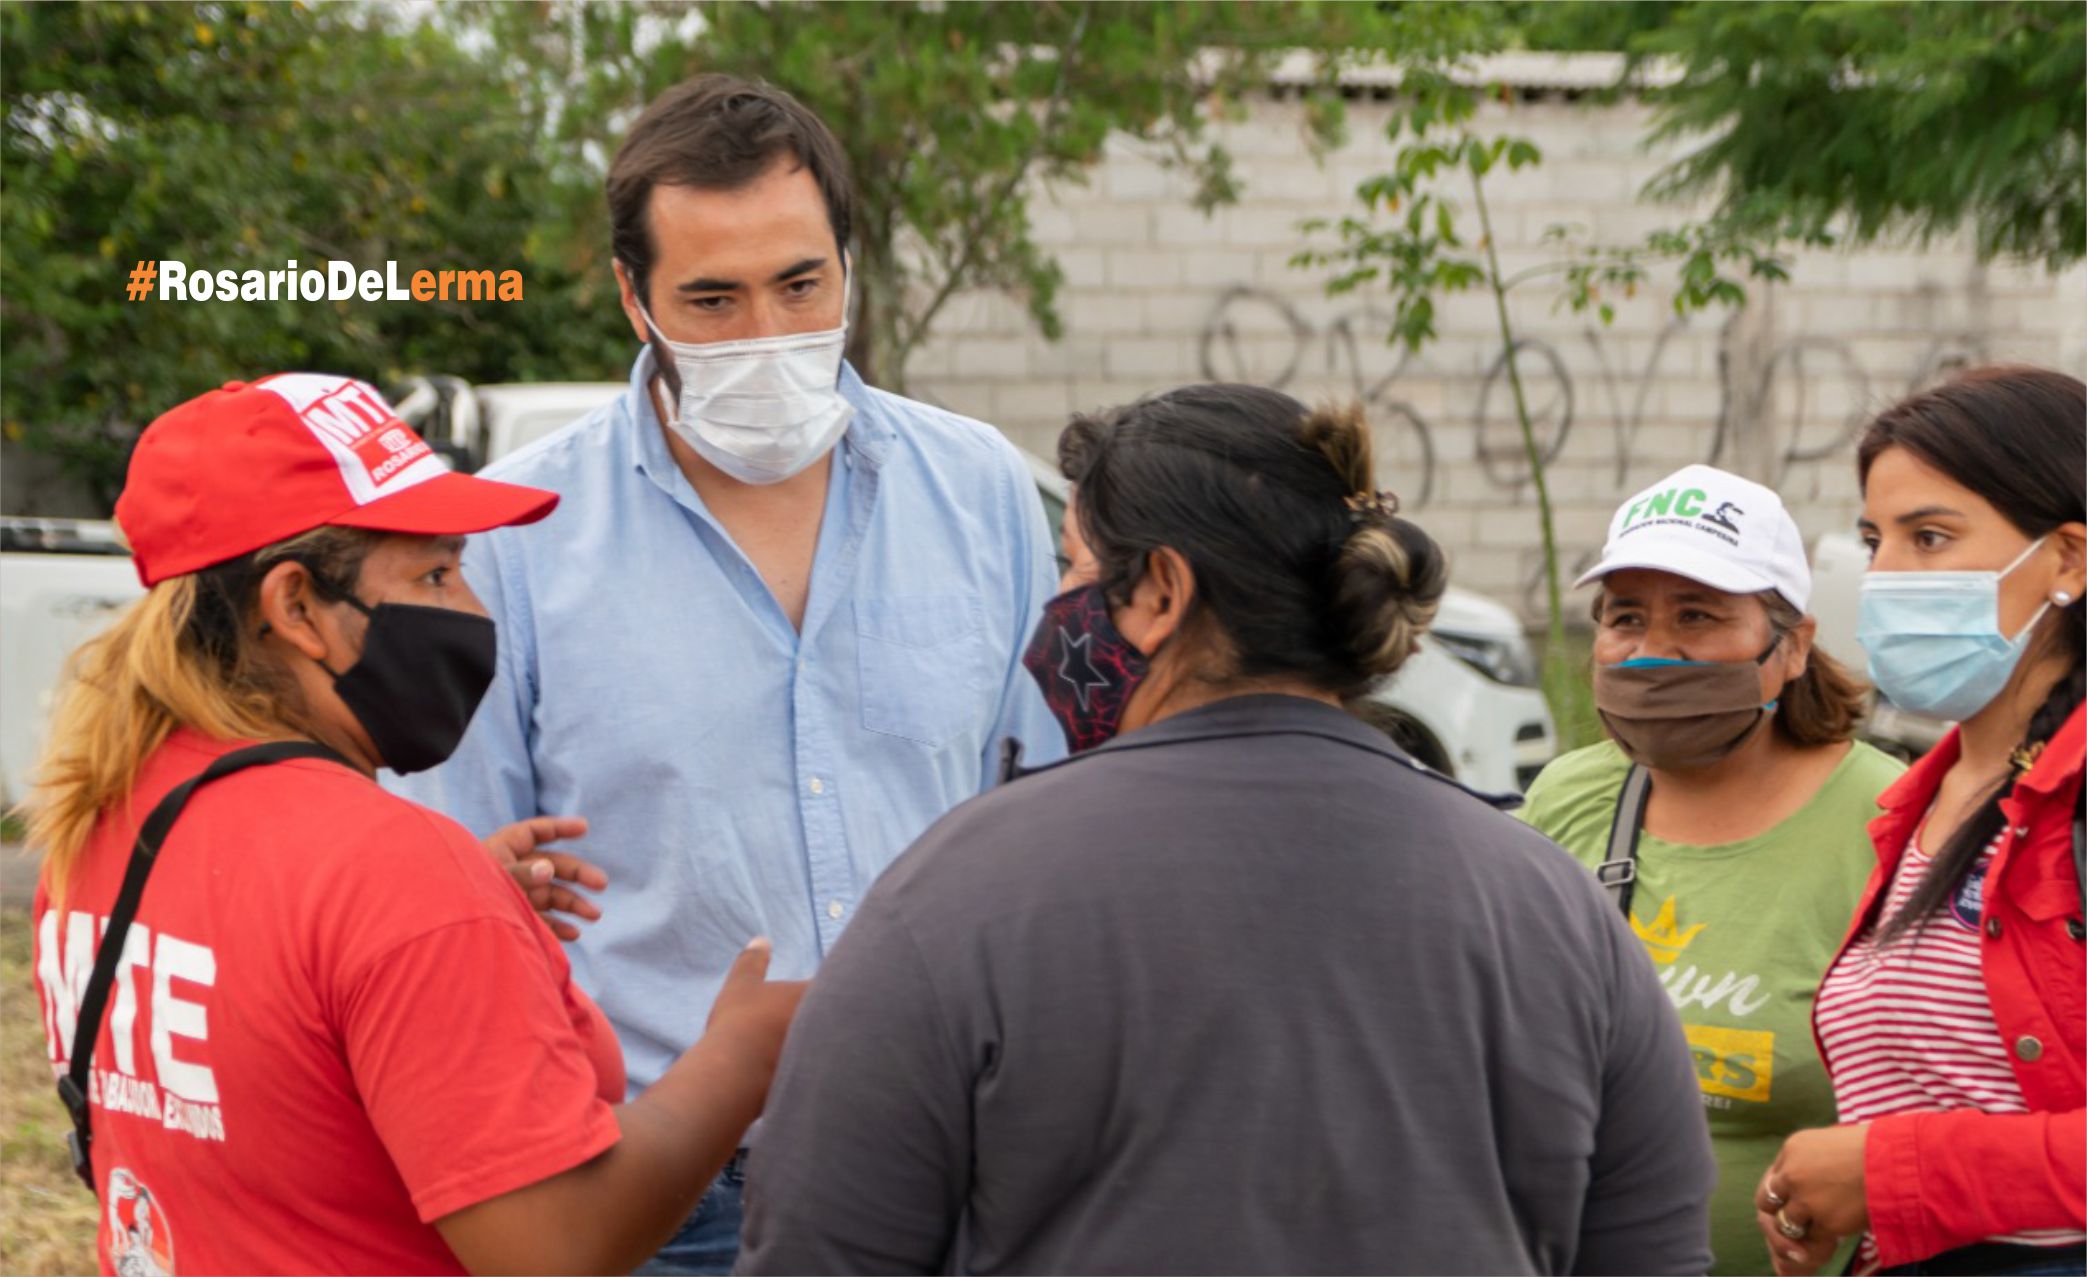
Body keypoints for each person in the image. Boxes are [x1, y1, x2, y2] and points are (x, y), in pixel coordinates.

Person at [735, 384, 1715, 1276]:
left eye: (1075, 566)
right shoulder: (1557, 912)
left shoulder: (952, 896)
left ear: (1159, 590)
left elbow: (819, 1247)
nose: (1054, 611)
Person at [393, 73, 1063, 1273]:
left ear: (848, 269)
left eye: (800, 284)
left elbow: (1048, 819)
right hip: (663, 1186)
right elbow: (458, 885)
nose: (766, 333)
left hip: (960, 1168)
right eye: (712, 297)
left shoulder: (980, 492)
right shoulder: (517, 538)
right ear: (630, 296)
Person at [29, 375, 803, 1276]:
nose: (472, 612)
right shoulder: (392, 874)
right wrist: (742, 1054)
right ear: (296, 607)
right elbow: (556, 1246)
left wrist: (440, 924)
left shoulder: (108, 820)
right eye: (434, 572)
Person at [1517, 463, 1905, 1274]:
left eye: (1696, 615)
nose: (1653, 652)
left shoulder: (1892, 820)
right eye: (1625, 617)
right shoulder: (1566, 801)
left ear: (1791, 646)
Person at [1757, 366, 2085, 1277]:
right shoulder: (1916, 803)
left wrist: (1889, 1171)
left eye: (1929, 536)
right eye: (1874, 539)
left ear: (2066, 559)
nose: (1886, 575)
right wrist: (1830, 1186)